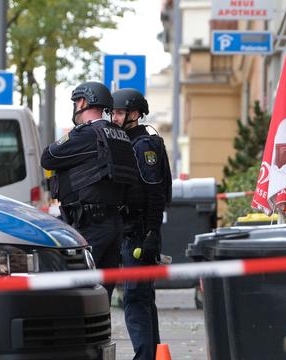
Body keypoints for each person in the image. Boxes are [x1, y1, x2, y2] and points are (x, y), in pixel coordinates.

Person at [40, 81, 138, 301]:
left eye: (76, 102)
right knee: (103, 295)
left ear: (83, 102)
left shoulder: (86, 134)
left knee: (78, 295)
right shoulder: (119, 135)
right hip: (114, 224)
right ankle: (102, 336)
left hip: (89, 225)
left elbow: (48, 157)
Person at [111, 88, 172, 360]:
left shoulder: (143, 145)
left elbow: (155, 193)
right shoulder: (127, 140)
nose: (114, 117)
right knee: (143, 298)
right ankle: (153, 354)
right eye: (112, 112)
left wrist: (150, 233)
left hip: (139, 234)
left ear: (134, 114)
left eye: (120, 112)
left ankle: (145, 356)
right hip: (132, 232)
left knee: (136, 298)